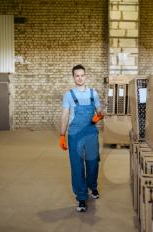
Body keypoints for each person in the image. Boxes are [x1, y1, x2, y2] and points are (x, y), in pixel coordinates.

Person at [59, 64, 104, 212]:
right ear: (73, 77)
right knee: (77, 167)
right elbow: (65, 115)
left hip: (91, 133)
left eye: (82, 75)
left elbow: (99, 110)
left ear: (86, 76)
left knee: (93, 164)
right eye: (76, 75)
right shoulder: (68, 95)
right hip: (75, 135)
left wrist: (99, 115)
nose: (79, 78)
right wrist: (62, 135)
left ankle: (93, 187)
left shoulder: (93, 93)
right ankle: (81, 197)